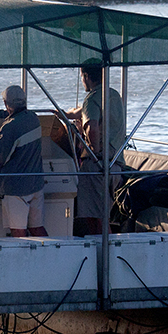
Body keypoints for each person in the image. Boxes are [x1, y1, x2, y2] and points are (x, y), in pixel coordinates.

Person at [0, 84, 49, 237]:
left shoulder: (10, 128)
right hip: (36, 184)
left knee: (18, 231)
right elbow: (7, 118)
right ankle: (49, 258)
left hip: (16, 189)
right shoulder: (33, 119)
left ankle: (22, 261)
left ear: (7, 104)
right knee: (37, 229)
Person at [63, 58, 125, 235]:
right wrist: (65, 114)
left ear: (86, 76)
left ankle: (102, 256)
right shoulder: (113, 95)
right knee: (105, 215)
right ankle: (109, 253)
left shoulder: (91, 98)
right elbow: (82, 112)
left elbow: (92, 127)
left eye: (82, 77)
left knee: (94, 217)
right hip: (116, 164)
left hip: (98, 165)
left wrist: (95, 153)